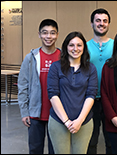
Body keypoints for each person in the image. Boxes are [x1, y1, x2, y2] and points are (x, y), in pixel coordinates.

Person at [46, 31, 98, 154]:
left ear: (84, 48)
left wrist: (79, 121)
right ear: (66, 47)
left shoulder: (91, 69)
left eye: (79, 45)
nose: (75, 49)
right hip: (59, 121)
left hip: (84, 122)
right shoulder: (55, 67)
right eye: (71, 45)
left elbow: (91, 95)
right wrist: (67, 121)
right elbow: (53, 95)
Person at [18, 19, 60, 154]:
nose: (49, 36)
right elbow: (23, 85)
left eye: (52, 33)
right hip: (35, 114)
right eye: (45, 33)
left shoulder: (63, 57)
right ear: (39, 34)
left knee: (57, 150)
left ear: (57, 35)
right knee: (35, 149)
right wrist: (24, 112)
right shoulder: (30, 58)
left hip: (58, 114)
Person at [87, 8, 113, 154]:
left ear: (108, 24)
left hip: (111, 100)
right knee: (91, 140)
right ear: (92, 24)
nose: (101, 24)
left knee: (111, 141)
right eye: (98, 20)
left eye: (105, 21)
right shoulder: (83, 46)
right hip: (91, 100)